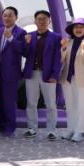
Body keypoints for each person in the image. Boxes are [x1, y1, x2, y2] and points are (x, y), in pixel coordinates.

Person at [22, 10, 62, 140]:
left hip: (48, 74)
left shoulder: (56, 37)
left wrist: (55, 75)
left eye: (44, 18)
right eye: (39, 19)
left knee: (50, 103)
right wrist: (26, 44)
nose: (41, 21)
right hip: (31, 73)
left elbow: (58, 58)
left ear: (49, 21)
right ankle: (32, 128)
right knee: (31, 102)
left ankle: (52, 131)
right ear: (35, 21)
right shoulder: (29, 36)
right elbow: (25, 54)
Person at [60, 18, 84, 143]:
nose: (78, 29)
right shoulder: (68, 42)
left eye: (81, 27)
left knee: (80, 105)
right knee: (69, 105)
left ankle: (79, 131)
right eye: (76, 27)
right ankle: (70, 129)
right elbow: (61, 60)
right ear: (72, 30)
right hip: (67, 78)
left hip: (82, 79)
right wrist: (63, 48)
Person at [0, 7, 26, 137]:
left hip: (11, 72)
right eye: (5, 15)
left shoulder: (21, 32)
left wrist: (11, 38)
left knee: (9, 100)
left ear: (16, 17)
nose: (7, 18)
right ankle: (1, 124)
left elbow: (22, 50)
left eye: (10, 15)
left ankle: (10, 126)